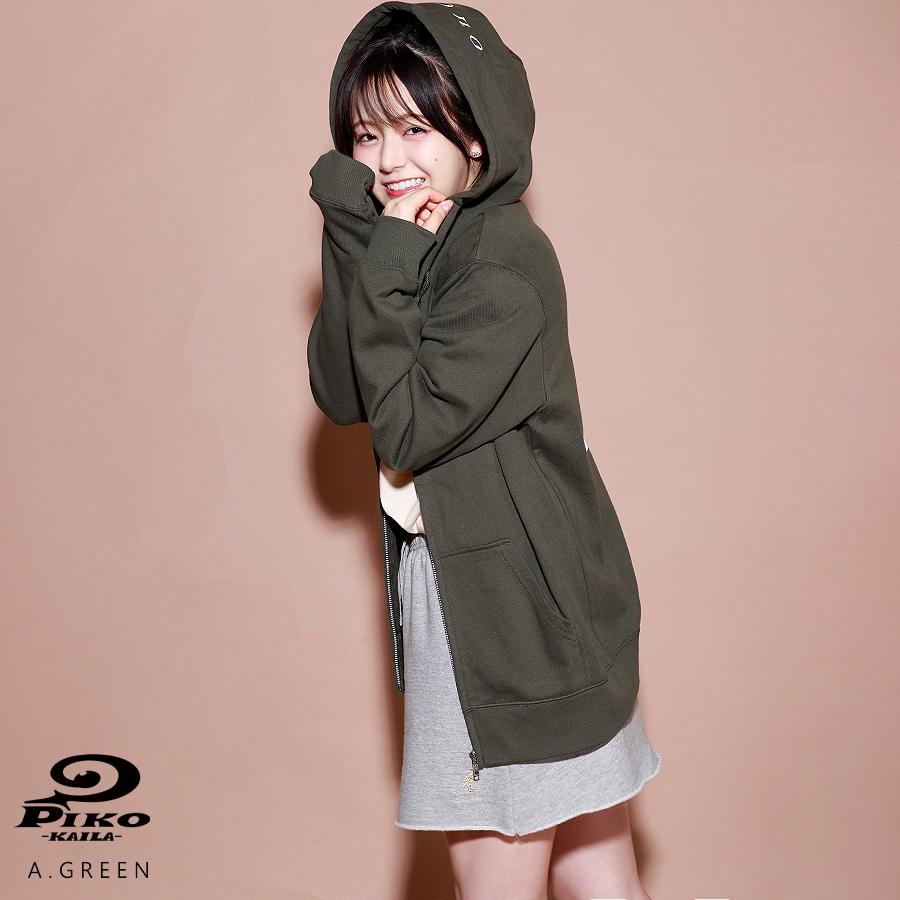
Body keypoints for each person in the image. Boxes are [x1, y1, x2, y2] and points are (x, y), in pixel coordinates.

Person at [307, 5, 660, 898]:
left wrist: (386, 248)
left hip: (503, 621)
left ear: (477, 133)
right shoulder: (426, 239)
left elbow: (402, 430)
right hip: (527, 597)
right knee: (600, 877)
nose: (387, 159)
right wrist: (353, 230)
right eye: (365, 134)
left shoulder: (498, 265)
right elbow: (341, 391)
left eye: (415, 128)